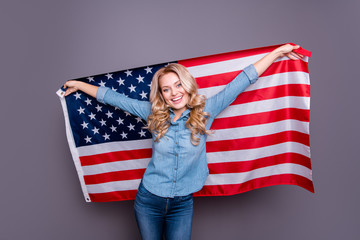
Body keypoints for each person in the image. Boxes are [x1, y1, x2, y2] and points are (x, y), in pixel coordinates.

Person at [64, 44, 303, 240]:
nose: (174, 92)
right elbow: (113, 98)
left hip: (182, 204)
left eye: (178, 85)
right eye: (166, 89)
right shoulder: (151, 112)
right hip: (148, 201)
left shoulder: (207, 111)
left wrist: (276, 53)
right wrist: (78, 85)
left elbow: (242, 81)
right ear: (161, 95)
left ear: (187, 86)